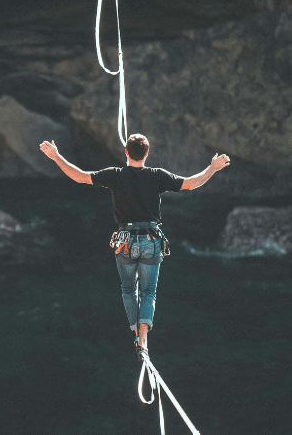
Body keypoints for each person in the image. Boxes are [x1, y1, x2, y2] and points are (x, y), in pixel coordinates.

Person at [39, 134, 230, 359]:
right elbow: (190, 183)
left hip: (125, 241)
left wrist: (56, 157)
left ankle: (135, 331)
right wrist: (212, 168)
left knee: (129, 289)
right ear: (147, 153)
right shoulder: (157, 176)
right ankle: (143, 339)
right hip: (151, 239)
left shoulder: (116, 175)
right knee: (148, 292)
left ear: (126, 153)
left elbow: (80, 177)